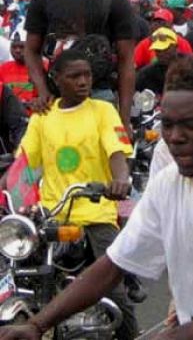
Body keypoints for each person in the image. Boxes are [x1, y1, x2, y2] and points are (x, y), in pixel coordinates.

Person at [0, 56, 193, 340]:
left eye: (192, 125)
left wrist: (191, 331)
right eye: (168, 125)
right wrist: (38, 325)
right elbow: (113, 265)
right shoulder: (168, 185)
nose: (176, 137)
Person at [4, 49, 137, 339]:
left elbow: (117, 153)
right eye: (74, 76)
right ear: (56, 78)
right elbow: (26, 165)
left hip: (95, 214)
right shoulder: (43, 116)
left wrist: (120, 180)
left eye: (87, 75)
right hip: (51, 217)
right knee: (16, 273)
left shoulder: (102, 110)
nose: (83, 81)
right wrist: (7, 188)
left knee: (113, 290)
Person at [23, 0, 135, 131]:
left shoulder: (115, 0)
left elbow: (126, 60)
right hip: (56, 97)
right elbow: (31, 50)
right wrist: (42, 90)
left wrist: (125, 118)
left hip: (100, 95)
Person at [0, 28, 45, 110]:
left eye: (21, 47)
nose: (17, 50)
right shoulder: (3, 68)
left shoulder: (43, 67)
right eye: (14, 47)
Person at [135, 28, 180, 96]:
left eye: (165, 49)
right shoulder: (147, 74)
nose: (161, 53)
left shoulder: (190, 68)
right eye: (158, 50)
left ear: (176, 47)